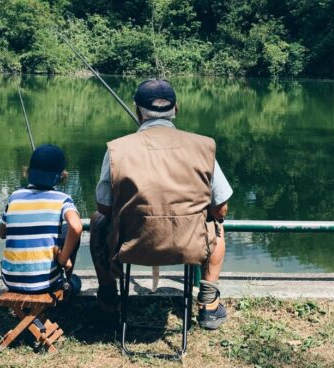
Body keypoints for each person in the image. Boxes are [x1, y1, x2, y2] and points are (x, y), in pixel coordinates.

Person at [90, 79, 233, 330]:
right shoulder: (203, 146)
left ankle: (108, 299)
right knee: (217, 226)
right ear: (176, 109)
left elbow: (104, 208)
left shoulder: (116, 150)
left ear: (137, 111)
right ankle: (209, 304)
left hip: (130, 245)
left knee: (97, 221)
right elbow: (220, 208)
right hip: (190, 246)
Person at [0, 144, 83, 294]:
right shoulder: (63, 199)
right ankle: (66, 282)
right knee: (76, 282)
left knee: (62, 230)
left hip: (10, 281)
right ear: (61, 175)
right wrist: (63, 259)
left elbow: (2, 234)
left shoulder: (14, 197)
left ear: (29, 171)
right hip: (45, 284)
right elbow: (76, 227)